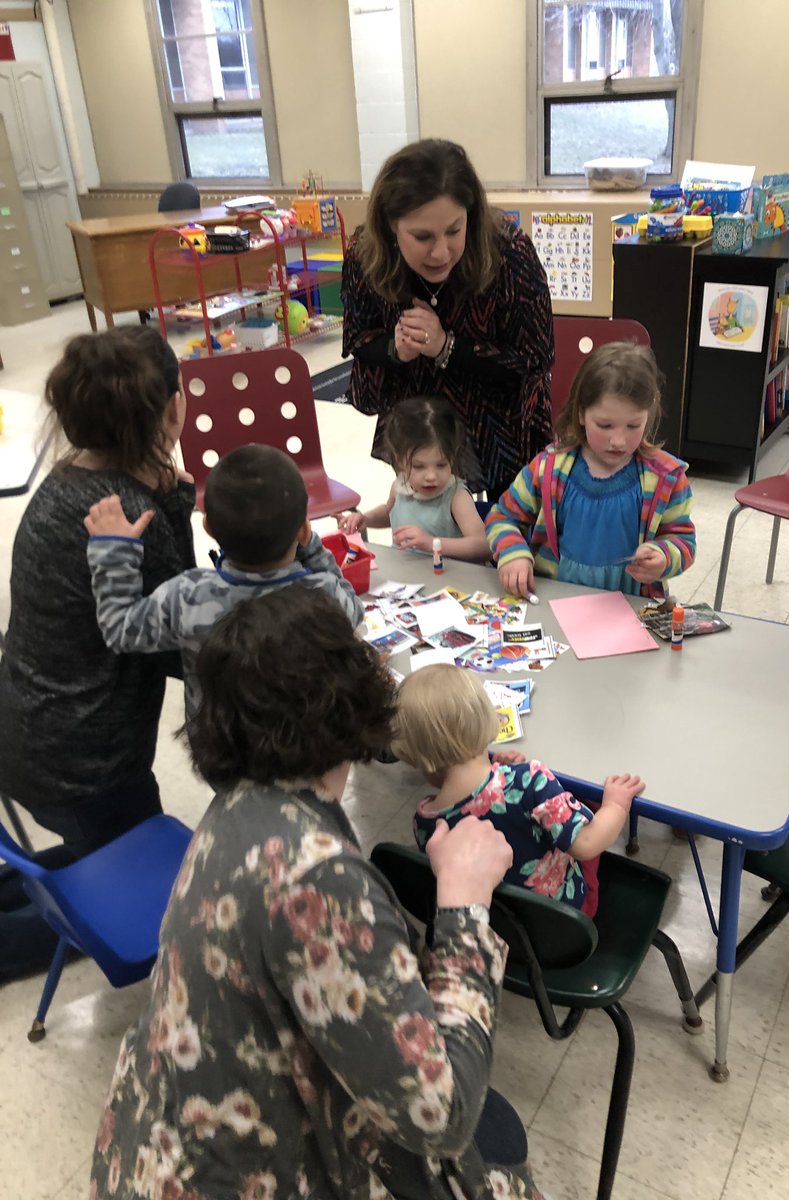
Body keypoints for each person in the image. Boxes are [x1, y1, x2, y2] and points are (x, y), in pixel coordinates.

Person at [90, 587, 549, 1200]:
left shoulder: (236, 807)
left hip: (158, 1146)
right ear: (351, 704)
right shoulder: (314, 879)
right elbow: (441, 1115)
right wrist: (464, 907)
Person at [0, 326, 196, 983]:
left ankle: (40, 881)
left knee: (93, 855)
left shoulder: (66, 481)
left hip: (26, 731)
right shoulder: (132, 515)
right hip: (89, 766)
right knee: (158, 903)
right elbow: (183, 639)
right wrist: (179, 504)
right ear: (175, 407)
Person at [84, 443, 365, 720]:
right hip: (299, 748)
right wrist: (311, 546)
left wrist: (113, 550)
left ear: (207, 527)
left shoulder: (187, 596)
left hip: (219, 754)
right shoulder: (324, 597)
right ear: (303, 531)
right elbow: (355, 609)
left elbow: (119, 629)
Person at [341, 137, 554, 501]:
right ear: (391, 225)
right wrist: (397, 349)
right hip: (419, 427)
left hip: (501, 423)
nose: (441, 252)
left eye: (454, 230)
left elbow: (534, 359)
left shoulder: (508, 251)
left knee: (507, 538)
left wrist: (446, 347)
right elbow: (358, 340)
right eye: (422, 236)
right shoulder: (366, 255)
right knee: (427, 532)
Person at [393, 663, 644, 919]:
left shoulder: (425, 823)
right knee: (589, 809)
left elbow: (478, 807)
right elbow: (588, 844)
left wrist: (494, 771)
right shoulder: (528, 780)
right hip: (566, 920)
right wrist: (616, 805)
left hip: (496, 927)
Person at [486, 342, 696, 600]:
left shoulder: (667, 478)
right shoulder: (547, 468)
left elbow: (684, 542)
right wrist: (513, 553)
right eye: (605, 425)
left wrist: (664, 556)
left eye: (633, 425)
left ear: (648, 415)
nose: (618, 440)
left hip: (630, 608)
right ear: (582, 413)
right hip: (555, 602)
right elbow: (502, 517)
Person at [338, 395, 490, 562]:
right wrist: (366, 519)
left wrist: (434, 543)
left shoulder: (456, 496)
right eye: (419, 466)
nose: (431, 476)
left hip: (449, 581)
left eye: (441, 465)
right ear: (399, 459)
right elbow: (390, 513)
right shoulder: (399, 487)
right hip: (408, 577)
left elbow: (484, 545)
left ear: (452, 458)